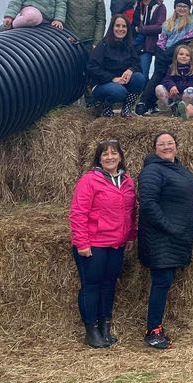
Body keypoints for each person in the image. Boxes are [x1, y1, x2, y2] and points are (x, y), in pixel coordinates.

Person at [69, 139, 136, 348]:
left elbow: (132, 212)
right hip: (94, 243)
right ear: (99, 158)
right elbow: (78, 212)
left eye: (114, 153)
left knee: (108, 286)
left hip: (116, 243)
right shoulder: (89, 180)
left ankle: (105, 326)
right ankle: (91, 330)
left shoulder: (127, 181)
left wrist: (131, 236)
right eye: (105, 154)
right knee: (92, 286)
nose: (110, 157)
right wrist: (82, 243)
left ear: (120, 157)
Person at [138, 132, 193, 349]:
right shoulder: (152, 170)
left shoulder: (177, 168)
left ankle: (156, 327)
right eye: (161, 144)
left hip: (175, 236)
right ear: (155, 148)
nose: (166, 147)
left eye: (170, 143)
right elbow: (148, 204)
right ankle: (153, 331)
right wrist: (168, 226)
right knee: (161, 282)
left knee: (165, 281)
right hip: (160, 237)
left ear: (176, 146)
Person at [135, 0, 193, 115]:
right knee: (158, 75)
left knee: (162, 74)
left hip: (178, 52)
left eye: (185, 6)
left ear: (189, 8)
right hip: (164, 53)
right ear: (175, 7)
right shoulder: (168, 23)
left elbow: (188, 38)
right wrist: (161, 51)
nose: (182, 8)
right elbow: (162, 39)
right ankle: (145, 103)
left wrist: (170, 52)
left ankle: (148, 102)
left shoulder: (191, 21)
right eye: (179, 6)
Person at [87, 15, 146, 118]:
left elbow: (137, 63)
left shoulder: (128, 45)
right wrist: (112, 78)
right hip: (102, 85)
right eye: (117, 26)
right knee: (119, 91)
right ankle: (105, 106)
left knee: (139, 78)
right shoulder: (103, 45)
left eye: (124, 26)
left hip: (121, 82)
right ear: (112, 28)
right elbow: (92, 68)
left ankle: (127, 108)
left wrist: (130, 70)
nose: (120, 29)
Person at [155, 44, 193, 118]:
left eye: (187, 55)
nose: (184, 56)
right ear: (176, 56)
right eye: (181, 54)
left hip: (187, 96)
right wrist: (171, 86)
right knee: (159, 88)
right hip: (174, 96)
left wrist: (179, 89)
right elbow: (166, 79)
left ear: (191, 58)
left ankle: (185, 110)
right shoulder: (172, 68)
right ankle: (174, 108)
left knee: (191, 91)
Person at [132, 0, 166, 79]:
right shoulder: (133, 4)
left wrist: (141, 29)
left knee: (143, 74)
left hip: (147, 46)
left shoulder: (160, 6)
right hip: (131, 44)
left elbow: (160, 27)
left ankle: (141, 95)